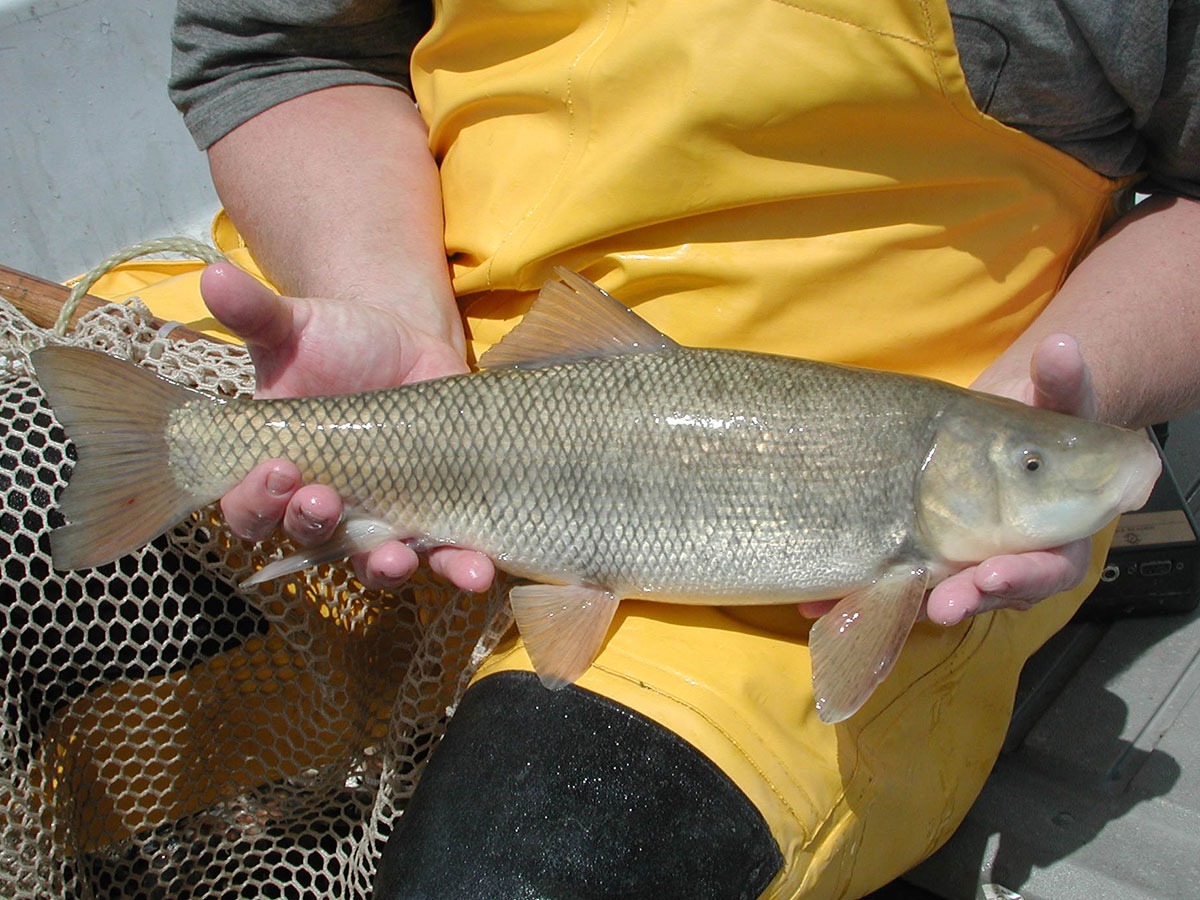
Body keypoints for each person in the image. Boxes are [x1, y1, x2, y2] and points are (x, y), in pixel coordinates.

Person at [164, 0, 1200, 896]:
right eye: (1031, 462)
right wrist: (377, 299)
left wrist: (1052, 392)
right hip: (379, 337)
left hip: (874, 453)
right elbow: (273, 44)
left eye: (1029, 465)